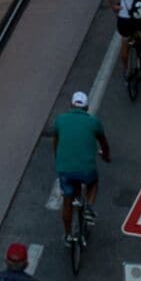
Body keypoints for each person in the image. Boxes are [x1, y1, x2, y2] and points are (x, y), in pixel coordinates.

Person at [48, 90, 113, 244]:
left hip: (65, 170)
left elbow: (56, 144)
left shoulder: (60, 120)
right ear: (86, 108)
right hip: (86, 170)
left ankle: (68, 235)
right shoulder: (94, 122)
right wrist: (106, 156)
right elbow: (104, 144)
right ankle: (89, 207)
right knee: (93, 182)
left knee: (67, 200)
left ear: (70, 105)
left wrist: (59, 161)